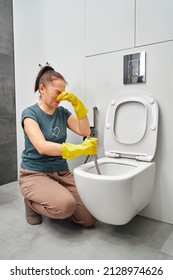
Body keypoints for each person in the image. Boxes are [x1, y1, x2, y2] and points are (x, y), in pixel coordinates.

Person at [19, 65, 97, 227]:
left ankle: (57, 196)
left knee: (89, 219)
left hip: (62, 172)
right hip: (35, 173)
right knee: (65, 206)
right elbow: (42, 146)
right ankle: (31, 203)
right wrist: (78, 149)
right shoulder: (30, 114)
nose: (60, 97)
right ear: (42, 89)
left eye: (63, 93)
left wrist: (77, 104)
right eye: (57, 92)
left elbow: (83, 130)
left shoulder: (62, 113)